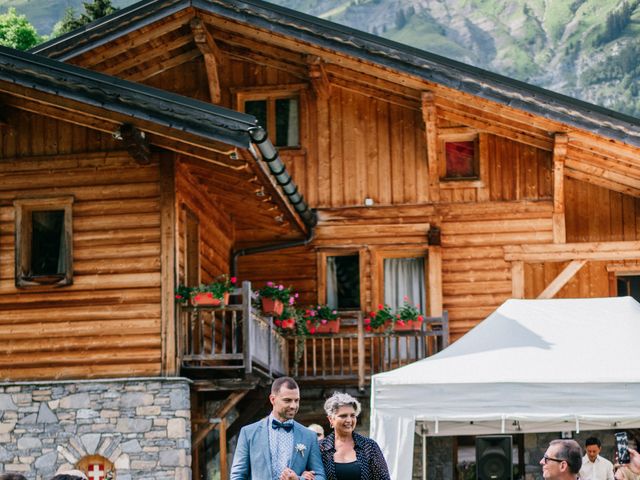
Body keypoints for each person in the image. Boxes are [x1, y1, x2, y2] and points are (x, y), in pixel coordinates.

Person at [230, 376, 325, 480]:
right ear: (273, 399)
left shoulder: (309, 436)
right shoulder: (248, 433)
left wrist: (298, 479)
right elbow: (237, 475)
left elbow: (320, 476)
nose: (293, 406)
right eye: (287, 400)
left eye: (296, 400)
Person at [318, 392, 390, 480]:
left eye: (352, 415)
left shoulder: (369, 446)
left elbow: (383, 478)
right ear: (331, 419)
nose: (349, 420)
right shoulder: (320, 448)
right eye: (343, 416)